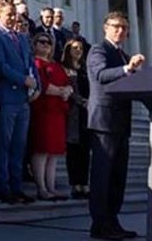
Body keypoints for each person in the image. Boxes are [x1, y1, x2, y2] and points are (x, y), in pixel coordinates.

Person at [88, 11, 145, 240]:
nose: (120, 31)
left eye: (124, 27)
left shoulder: (123, 55)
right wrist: (127, 69)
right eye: (116, 26)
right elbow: (101, 74)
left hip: (121, 121)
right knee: (103, 176)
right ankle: (100, 224)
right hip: (104, 120)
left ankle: (112, 221)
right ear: (106, 28)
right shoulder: (98, 50)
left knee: (117, 178)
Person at [0, 2, 37, 205]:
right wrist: (23, 80)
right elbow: (1, 67)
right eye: (8, 14)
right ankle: (3, 187)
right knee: (4, 145)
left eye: (14, 14)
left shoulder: (22, 38)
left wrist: (36, 84)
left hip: (23, 100)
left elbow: (30, 64)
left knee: (19, 145)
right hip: (7, 98)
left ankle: (17, 187)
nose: (12, 18)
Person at [29, 31, 71, 201]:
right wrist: (61, 91)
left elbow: (68, 84)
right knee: (42, 149)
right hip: (43, 111)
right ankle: (41, 188)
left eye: (49, 43)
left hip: (57, 112)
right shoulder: (35, 63)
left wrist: (67, 91)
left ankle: (51, 187)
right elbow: (43, 86)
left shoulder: (57, 66)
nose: (46, 45)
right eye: (42, 42)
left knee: (54, 152)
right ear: (35, 45)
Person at [64, 38, 91, 200]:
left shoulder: (85, 69)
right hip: (72, 113)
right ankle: (75, 184)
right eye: (74, 48)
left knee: (85, 150)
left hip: (87, 114)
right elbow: (69, 90)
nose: (78, 50)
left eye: (80, 48)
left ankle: (84, 183)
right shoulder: (65, 69)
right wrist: (82, 101)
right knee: (73, 150)